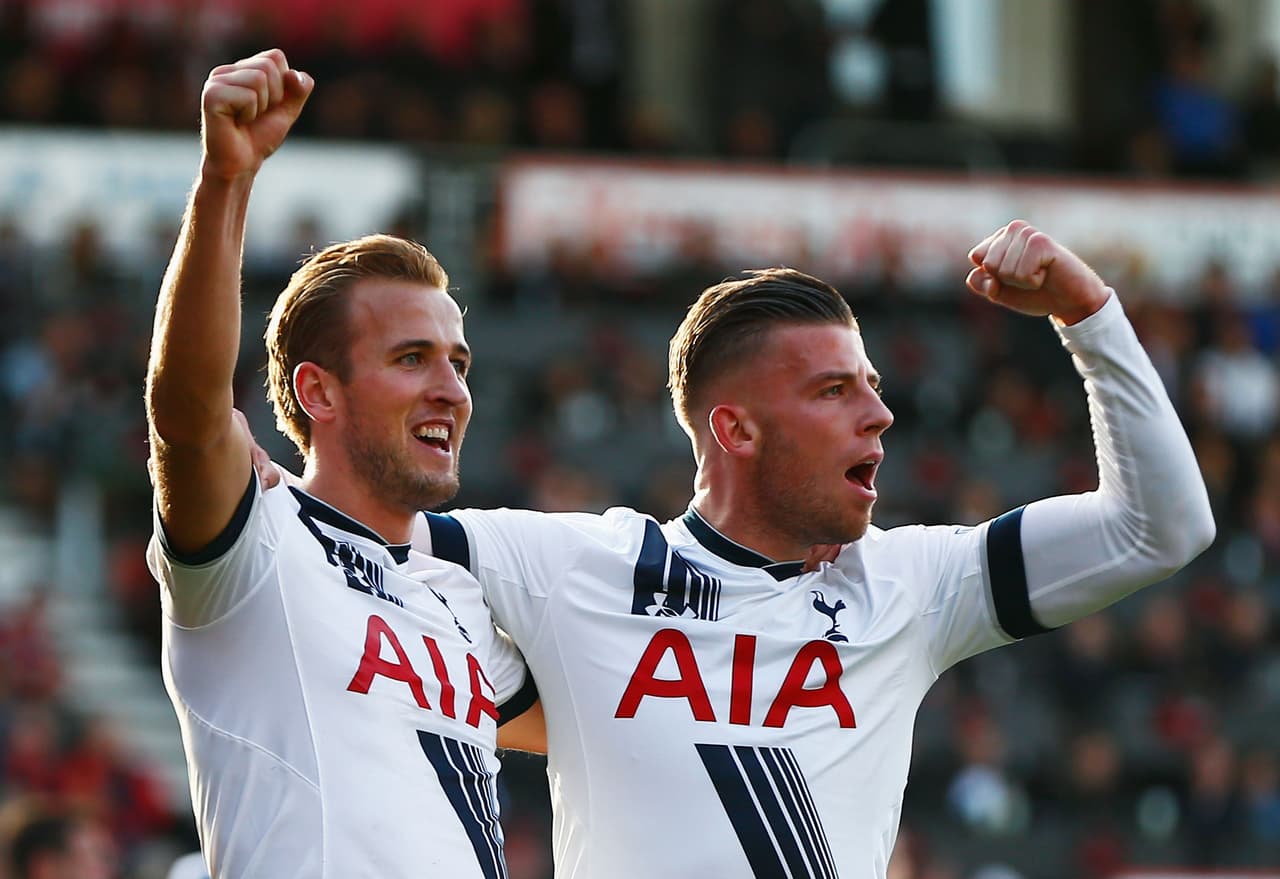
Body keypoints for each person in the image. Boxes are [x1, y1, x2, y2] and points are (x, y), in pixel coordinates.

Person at [402, 222, 1215, 876]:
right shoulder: (577, 566)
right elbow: (334, 525)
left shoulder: (909, 585)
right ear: (736, 428)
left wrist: (1091, 319)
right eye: (834, 390)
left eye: (874, 386)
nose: (878, 415)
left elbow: (1160, 529)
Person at [144, 50, 541, 878]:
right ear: (318, 392)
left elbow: (624, 714)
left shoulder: (458, 593)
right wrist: (227, 179)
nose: (451, 390)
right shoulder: (257, 541)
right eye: (412, 359)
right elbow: (185, 412)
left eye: (458, 363)